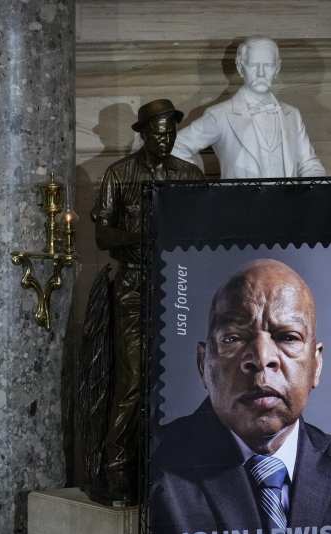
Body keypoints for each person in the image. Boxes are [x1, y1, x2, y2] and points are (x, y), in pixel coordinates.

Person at [150, 259, 331, 534]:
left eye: (287, 337)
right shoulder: (153, 471)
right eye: (232, 338)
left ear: (316, 365)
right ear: (204, 363)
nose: (262, 359)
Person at [87, 99, 203, 504]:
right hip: (135, 286)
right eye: (159, 132)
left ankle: (167, 465)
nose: (166, 138)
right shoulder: (119, 175)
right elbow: (103, 237)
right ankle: (116, 467)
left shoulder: (189, 174)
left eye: (171, 131)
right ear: (142, 133)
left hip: (181, 285)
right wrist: (146, 237)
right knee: (133, 379)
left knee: (182, 379)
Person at [171, 36, 326, 179]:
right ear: (240, 68)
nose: (260, 73)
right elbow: (175, 147)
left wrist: (317, 193)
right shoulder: (220, 115)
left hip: (287, 206)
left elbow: (309, 163)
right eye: (253, 65)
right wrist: (201, 185)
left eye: (268, 65)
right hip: (241, 206)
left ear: (277, 68)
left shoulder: (292, 115)